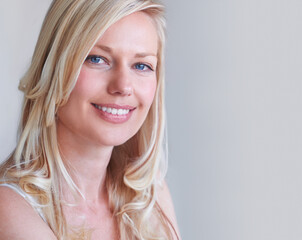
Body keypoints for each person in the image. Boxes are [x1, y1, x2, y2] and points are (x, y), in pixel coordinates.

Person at [0, 0, 180, 239]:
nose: (123, 86)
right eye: (97, 59)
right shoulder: (9, 209)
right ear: (54, 68)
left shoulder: (150, 194)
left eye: (141, 65)